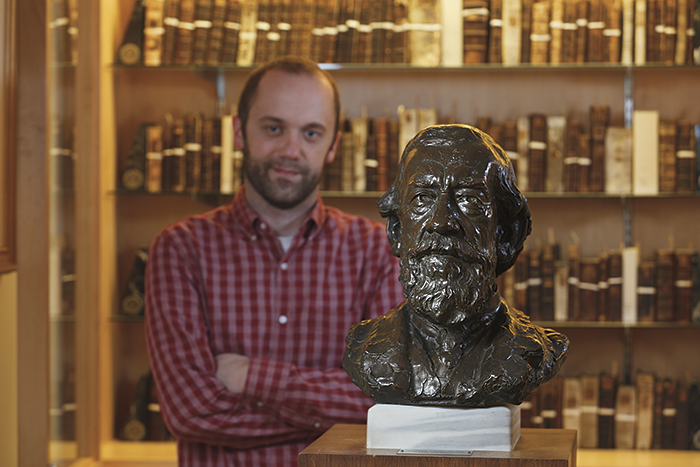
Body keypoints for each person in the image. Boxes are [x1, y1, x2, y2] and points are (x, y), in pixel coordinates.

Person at [145, 56, 404, 466]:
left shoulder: (378, 251)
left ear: (334, 145)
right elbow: (190, 412)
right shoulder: (180, 249)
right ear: (237, 130)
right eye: (273, 127)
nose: (291, 150)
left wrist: (250, 377)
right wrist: (334, 417)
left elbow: (389, 399)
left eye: (312, 132)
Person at [343, 124, 569, 408]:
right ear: (397, 231)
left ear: (507, 235)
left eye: (469, 200)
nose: (441, 222)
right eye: (422, 199)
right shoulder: (365, 349)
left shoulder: (534, 353)